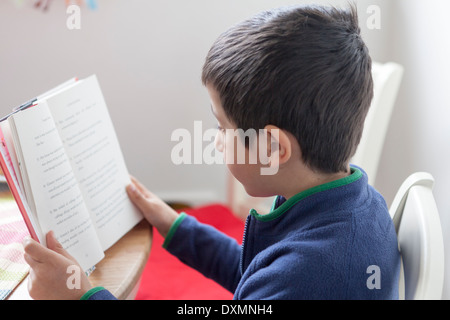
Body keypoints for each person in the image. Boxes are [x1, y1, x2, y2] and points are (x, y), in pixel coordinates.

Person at [23, 4, 401, 300]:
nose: (216, 140)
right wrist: (173, 224)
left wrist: (81, 295)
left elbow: (274, 279)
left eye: (223, 128)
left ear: (273, 148)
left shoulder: (309, 271)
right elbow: (254, 273)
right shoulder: (352, 202)